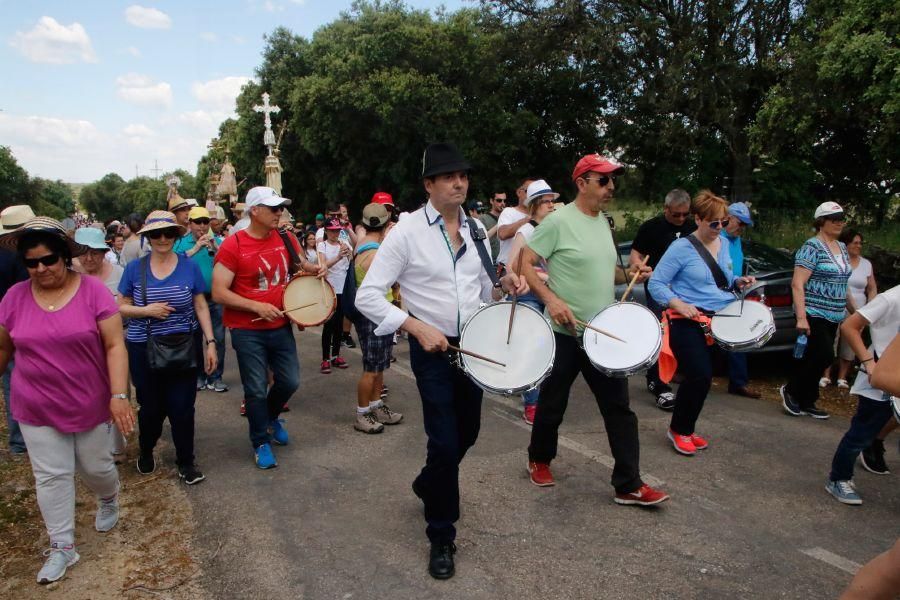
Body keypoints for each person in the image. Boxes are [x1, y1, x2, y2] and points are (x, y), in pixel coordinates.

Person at [356, 143, 526, 580]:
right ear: (429, 185)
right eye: (449, 177)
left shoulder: (474, 229)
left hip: (472, 347)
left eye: (464, 176)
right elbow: (367, 296)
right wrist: (413, 325)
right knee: (445, 441)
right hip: (431, 349)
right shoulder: (407, 232)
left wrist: (506, 284)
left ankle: (429, 482)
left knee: (467, 432)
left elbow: (482, 289)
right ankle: (441, 534)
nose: (459, 183)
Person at [520, 154, 669, 509]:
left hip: (601, 335)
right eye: (604, 181)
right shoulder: (557, 222)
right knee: (553, 404)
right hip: (565, 333)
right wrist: (551, 300)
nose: (611, 187)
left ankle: (628, 484)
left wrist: (630, 273)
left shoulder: (605, 222)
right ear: (582, 182)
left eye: (612, 181)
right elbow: (523, 264)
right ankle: (539, 459)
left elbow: (606, 273)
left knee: (619, 409)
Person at [0, 217, 133, 584]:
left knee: (96, 468)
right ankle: (62, 546)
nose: (41, 268)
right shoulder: (14, 298)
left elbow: (114, 345)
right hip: (35, 404)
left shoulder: (92, 292)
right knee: (51, 476)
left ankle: (108, 498)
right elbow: (3, 346)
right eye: (32, 262)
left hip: (88, 401)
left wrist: (118, 395)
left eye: (48, 260)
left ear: (64, 257)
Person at [648, 192, 756, 455]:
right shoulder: (681, 248)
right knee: (699, 374)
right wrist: (677, 303)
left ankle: (686, 427)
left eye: (723, 222)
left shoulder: (725, 245)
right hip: (686, 319)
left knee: (702, 379)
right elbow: (656, 283)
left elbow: (723, 280)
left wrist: (737, 282)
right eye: (714, 223)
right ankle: (678, 430)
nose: (720, 228)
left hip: (718, 318)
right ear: (698, 219)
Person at [119, 211, 217, 485]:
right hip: (144, 348)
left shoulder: (189, 266)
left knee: (183, 408)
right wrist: (146, 310)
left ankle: (186, 462)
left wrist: (210, 343)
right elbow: (120, 306)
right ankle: (146, 448)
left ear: (176, 236)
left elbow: (200, 305)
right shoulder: (134, 269)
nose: (162, 239)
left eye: (168, 233)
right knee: (151, 408)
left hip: (184, 344)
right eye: (156, 234)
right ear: (148, 237)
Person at [212, 186, 303, 469]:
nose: (279, 213)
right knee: (254, 388)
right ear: (255, 211)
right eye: (274, 208)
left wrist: (316, 269)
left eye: (280, 208)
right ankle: (260, 441)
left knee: (290, 381)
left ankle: (270, 418)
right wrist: (256, 306)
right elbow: (218, 292)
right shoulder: (234, 244)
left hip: (280, 324)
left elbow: (300, 266)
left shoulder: (285, 238)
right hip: (247, 329)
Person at [825, 285, 899, 504]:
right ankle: (838, 479)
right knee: (860, 434)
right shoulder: (891, 298)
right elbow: (850, 326)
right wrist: (869, 362)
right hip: (881, 379)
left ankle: (874, 446)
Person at [780, 201, 851, 420]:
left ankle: (807, 400)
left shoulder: (842, 248)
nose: (839, 223)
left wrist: (856, 311)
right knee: (824, 355)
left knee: (815, 357)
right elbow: (797, 283)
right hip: (813, 311)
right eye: (834, 219)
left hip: (835, 313)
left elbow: (843, 284)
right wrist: (801, 317)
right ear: (821, 222)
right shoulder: (811, 247)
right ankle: (791, 390)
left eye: (841, 219)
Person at [629, 188, 695, 410]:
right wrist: (638, 265)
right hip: (658, 286)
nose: (681, 219)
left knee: (682, 332)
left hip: (684, 290)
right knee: (661, 332)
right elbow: (636, 255)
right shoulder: (651, 227)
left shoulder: (692, 227)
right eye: (676, 214)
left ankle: (679, 374)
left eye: (685, 214)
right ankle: (658, 383)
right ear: (666, 209)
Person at [506, 179, 558, 425]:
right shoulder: (526, 231)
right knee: (533, 349)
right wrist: (543, 276)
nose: (551, 205)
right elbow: (512, 265)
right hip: (529, 295)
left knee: (548, 350)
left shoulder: (555, 229)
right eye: (546, 202)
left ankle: (540, 397)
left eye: (552, 201)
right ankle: (532, 403)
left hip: (551, 295)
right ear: (534, 205)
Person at [351, 203, 403, 433]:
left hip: (379, 312)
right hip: (372, 314)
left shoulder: (365, 245)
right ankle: (362, 414)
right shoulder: (374, 252)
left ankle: (376, 405)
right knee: (372, 367)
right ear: (385, 223)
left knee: (379, 365)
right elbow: (392, 278)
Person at [173, 207, 228, 393]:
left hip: (215, 298)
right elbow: (174, 262)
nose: (202, 226)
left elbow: (230, 262)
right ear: (190, 223)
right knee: (194, 339)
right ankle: (198, 376)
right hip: (191, 300)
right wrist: (196, 248)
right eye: (198, 222)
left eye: (206, 222)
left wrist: (216, 247)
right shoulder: (180, 243)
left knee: (218, 339)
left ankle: (216, 376)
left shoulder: (217, 241)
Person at [822, 229, 877, 389]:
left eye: (860, 243)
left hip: (858, 309)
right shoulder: (838, 261)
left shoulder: (866, 264)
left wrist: (871, 307)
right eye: (855, 243)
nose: (859, 246)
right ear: (846, 244)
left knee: (851, 342)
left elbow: (872, 288)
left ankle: (842, 377)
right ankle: (825, 375)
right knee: (832, 339)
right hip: (836, 304)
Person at [0, 205, 34, 455]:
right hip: (24, 323)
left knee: (12, 381)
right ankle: (26, 439)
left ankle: (18, 440)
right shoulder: (23, 255)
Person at [719, 202, 762, 399]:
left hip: (732, 291)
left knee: (738, 334)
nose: (741, 228)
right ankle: (680, 371)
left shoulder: (736, 241)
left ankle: (738, 382)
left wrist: (740, 281)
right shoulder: (716, 236)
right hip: (711, 292)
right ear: (727, 218)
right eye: (740, 223)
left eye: (745, 225)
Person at [318, 217, 352, 373]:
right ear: (326, 230)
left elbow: (352, 261)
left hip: (343, 289)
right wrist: (339, 256)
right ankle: (325, 358)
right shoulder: (322, 245)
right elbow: (323, 266)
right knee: (329, 324)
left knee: (339, 325)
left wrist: (347, 253)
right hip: (329, 289)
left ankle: (336, 355)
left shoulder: (344, 245)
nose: (335, 233)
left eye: (337, 230)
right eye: (332, 230)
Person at [495, 178, 534, 268]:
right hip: (507, 269)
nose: (532, 194)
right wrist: (528, 219)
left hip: (530, 269)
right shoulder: (509, 211)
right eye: (529, 190)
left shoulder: (541, 217)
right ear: (519, 192)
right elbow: (502, 234)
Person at [74, 228, 124, 296]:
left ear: (104, 253)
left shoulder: (120, 274)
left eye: (95, 253)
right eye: (83, 254)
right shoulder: (70, 278)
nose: (89, 259)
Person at [478, 192, 506, 261]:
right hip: (491, 262)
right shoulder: (482, 218)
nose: (502, 203)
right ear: (491, 201)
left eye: (504, 201)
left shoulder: (507, 217)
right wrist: (499, 223)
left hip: (506, 261)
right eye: (499, 200)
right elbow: (480, 238)